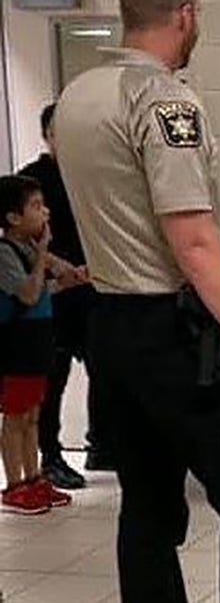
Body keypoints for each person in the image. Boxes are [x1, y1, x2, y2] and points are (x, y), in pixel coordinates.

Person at [54, 0, 220, 602]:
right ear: (186, 15)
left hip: (112, 327)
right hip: (174, 332)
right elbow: (193, 240)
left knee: (148, 505)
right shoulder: (163, 101)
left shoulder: (77, 97)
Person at [18, 103, 115, 487]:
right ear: (49, 136)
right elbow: (22, 239)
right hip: (53, 291)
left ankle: (102, 444)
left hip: (94, 286)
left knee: (105, 368)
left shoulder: (93, 176)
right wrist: (59, 266)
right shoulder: (31, 182)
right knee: (53, 376)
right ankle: (51, 453)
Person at [0, 175, 82, 514]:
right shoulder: (5, 252)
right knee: (15, 416)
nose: (45, 212)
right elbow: (30, 292)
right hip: (15, 349)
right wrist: (44, 255)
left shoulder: (30, 250)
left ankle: (34, 477)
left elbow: (49, 286)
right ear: (13, 217)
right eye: (36, 206)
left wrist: (70, 274)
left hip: (37, 344)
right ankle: (15, 485)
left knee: (33, 415)